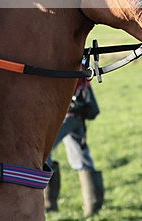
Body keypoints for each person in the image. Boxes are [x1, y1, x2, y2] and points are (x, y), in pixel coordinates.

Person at [45, 78, 105, 217]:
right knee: (82, 158)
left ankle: (48, 205)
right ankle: (93, 207)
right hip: (77, 111)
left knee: (44, 153)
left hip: (67, 113)